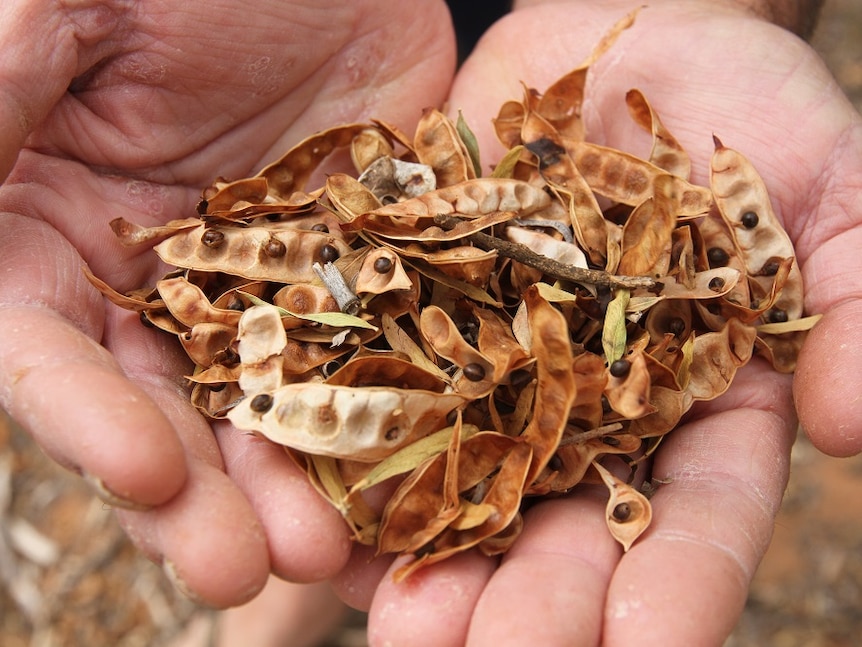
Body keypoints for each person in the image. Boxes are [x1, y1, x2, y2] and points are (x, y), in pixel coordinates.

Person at [0, 0, 859, 645]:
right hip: (351, 37)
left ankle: (335, 538)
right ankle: (318, 540)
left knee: (327, 485)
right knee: (293, 479)